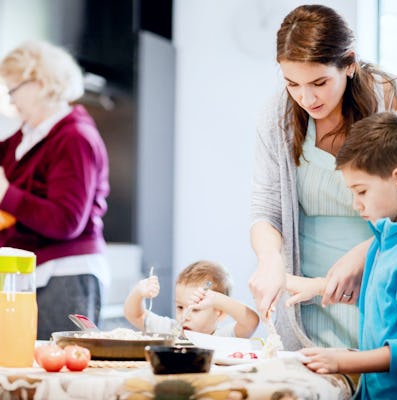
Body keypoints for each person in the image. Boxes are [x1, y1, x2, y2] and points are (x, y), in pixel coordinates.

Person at [248, 4, 397, 351]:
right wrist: (269, 259)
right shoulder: (278, 116)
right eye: (292, 84)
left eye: (319, 82)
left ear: (349, 63)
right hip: (310, 299)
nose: (306, 98)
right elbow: (265, 206)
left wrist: (367, 252)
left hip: (383, 287)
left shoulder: (391, 99)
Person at [285, 112, 397, 400]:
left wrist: (341, 361)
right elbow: (381, 308)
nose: (355, 204)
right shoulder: (381, 242)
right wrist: (318, 287)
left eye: (361, 191)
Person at [0, 40, 110, 339]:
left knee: (58, 373)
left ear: (40, 83)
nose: (11, 100)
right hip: (33, 272)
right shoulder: (27, 137)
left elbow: (66, 221)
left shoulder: (74, 138)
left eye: (13, 89)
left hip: (65, 274)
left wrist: (5, 194)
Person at [124, 260, 259, 337]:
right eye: (180, 307)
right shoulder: (170, 330)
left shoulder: (223, 337)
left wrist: (217, 300)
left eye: (195, 310)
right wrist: (138, 292)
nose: (185, 316)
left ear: (220, 313)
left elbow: (251, 322)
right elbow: (135, 315)